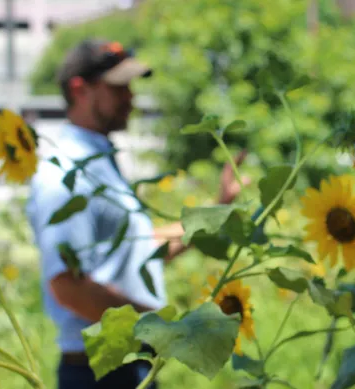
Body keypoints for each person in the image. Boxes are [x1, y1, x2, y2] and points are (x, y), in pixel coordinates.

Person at [26, 39, 246, 389]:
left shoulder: (97, 163)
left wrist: (215, 214)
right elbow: (67, 286)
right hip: (98, 373)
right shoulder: (63, 173)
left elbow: (142, 248)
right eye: (118, 87)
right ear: (79, 89)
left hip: (126, 365)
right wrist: (158, 326)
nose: (130, 97)